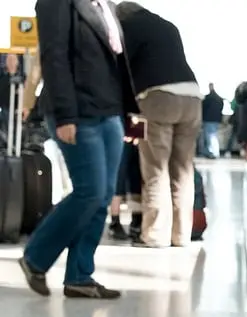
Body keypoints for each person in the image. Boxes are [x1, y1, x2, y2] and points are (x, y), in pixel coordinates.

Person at [19, 0, 134, 300]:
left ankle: (79, 276)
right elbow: (54, 56)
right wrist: (65, 115)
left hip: (110, 110)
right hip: (78, 111)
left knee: (103, 196)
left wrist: (128, 111)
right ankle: (35, 257)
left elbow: (116, 63)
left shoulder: (105, 6)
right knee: (90, 191)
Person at [115, 2, 201, 248]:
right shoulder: (168, 26)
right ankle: (181, 235)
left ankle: (155, 235)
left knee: (156, 168)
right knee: (183, 170)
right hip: (192, 96)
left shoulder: (127, 28)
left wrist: (126, 117)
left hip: (157, 97)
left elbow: (123, 72)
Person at [108, 117, 144, 240]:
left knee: (137, 175)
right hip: (121, 123)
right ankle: (115, 220)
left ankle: (136, 218)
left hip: (138, 125)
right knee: (119, 174)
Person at [200, 83, 223, 158]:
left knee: (209, 137)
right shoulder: (219, 98)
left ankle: (211, 152)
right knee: (213, 136)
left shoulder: (207, 98)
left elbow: (203, 108)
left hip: (208, 119)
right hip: (216, 119)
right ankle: (215, 152)